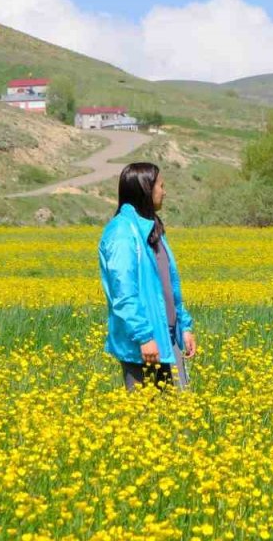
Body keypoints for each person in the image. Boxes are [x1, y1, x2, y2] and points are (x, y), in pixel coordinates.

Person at [99, 162, 196, 391]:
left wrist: (184, 326)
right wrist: (144, 337)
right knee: (145, 418)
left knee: (180, 412)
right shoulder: (122, 233)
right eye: (160, 186)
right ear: (145, 189)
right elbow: (123, 294)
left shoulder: (153, 230)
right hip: (143, 346)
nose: (164, 191)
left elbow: (169, 286)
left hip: (167, 338)